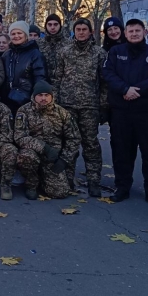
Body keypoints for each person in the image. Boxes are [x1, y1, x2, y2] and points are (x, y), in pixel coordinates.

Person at [102, 18, 148, 207]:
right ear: (125, 33)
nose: (134, 34)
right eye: (130, 31)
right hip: (121, 112)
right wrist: (124, 89)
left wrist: (137, 90)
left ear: (144, 33)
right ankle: (122, 187)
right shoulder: (115, 52)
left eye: (137, 31)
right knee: (122, 152)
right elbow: (108, 73)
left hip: (146, 112)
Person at [52, 18, 107, 197]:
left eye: (84, 29)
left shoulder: (99, 53)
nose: (81, 32)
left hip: (90, 106)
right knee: (69, 144)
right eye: (78, 29)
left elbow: (104, 82)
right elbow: (57, 78)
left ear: (91, 32)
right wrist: (56, 103)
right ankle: (68, 179)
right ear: (74, 31)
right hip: (67, 105)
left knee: (90, 144)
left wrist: (103, 105)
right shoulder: (64, 51)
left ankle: (93, 181)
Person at [14, 81, 80, 200]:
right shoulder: (23, 111)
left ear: (51, 96)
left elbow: (74, 139)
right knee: (26, 156)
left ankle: (44, 179)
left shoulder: (62, 113)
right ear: (34, 96)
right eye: (40, 95)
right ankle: (31, 185)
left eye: (46, 95)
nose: (43, 98)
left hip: (53, 158)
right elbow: (20, 136)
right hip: (33, 153)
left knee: (60, 192)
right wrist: (44, 148)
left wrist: (64, 160)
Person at [2, 21, 47, 115]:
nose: (16, 36)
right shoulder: (7, 55)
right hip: (7, 101)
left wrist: (35, 99)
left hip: (26, 102)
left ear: (26, 35)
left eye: (19, 33)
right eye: (13, 34)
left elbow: (40, 78)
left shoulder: (35, 54)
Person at [38, 13, 69, 83]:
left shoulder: (68, 44)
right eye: (49, 24)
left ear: (60, 26)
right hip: (43, 83)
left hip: (63, 84)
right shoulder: (39, 43)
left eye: (55, 24)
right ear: (45, 26)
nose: (52, 27)